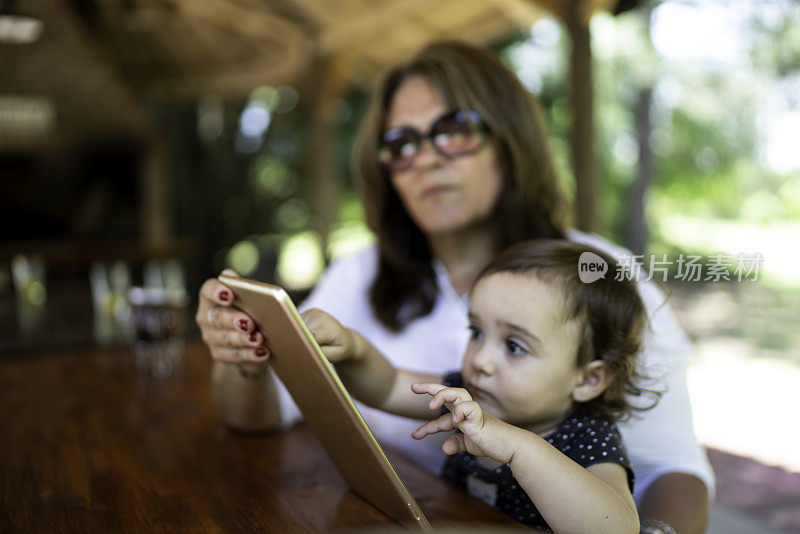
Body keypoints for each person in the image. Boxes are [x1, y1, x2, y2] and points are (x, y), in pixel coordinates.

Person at [196, 41, 713, 533]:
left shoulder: (600, 277)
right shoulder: (361, 276)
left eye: (454, 128)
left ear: (509, 140)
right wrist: (282, 351)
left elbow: (671, 469)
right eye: (401, 142)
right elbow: (377, 384)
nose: (427, 157)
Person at [303, 239, 651, 532]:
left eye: (515, 346)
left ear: (587, 379)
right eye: (476, 332)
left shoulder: (587, 438)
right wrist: (351, 348)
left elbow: (617, 526)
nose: (481, 359)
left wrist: (518, 447)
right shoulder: (467, 399)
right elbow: (389, 386)